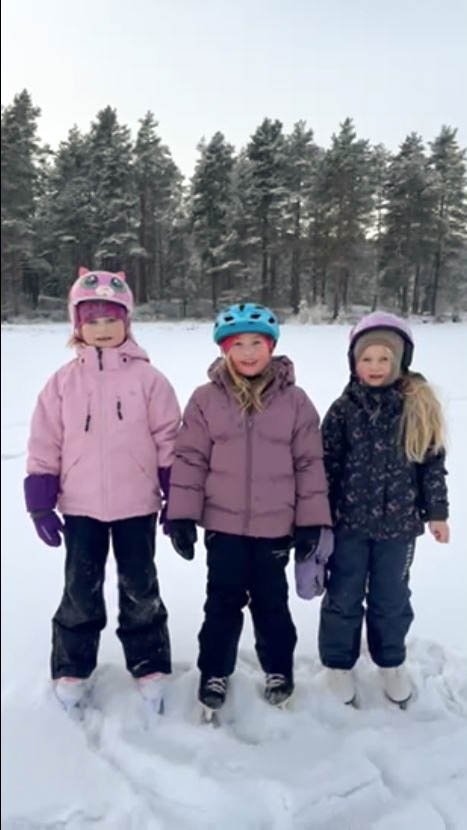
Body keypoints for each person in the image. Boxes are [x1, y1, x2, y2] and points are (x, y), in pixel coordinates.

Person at [24, 268, 181, 714]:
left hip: (137, 504)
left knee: (140, 586)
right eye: (92, 320)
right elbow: (45, 442)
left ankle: (149, 661)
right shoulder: (62, 383)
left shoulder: (149, 380)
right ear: (77, 325)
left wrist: (176, 496)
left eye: (112, 319)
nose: (103, 328)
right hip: (80, 507)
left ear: (127, 321)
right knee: (80, 588)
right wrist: (40, 503)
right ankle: (73, 665)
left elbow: (170, 438)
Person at [166, 303, 332, 716]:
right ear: (224, 350)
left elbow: (309, 463)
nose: (248, 353)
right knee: (221, 602)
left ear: (271, 347)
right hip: (222, 526)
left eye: (256, 343)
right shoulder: (205, 400)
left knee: (271, 603)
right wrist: (181, 514)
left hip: (275, 527)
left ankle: (278, 669)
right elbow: (190, 459)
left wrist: (311, 522)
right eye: (237, 344)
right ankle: (214, 671)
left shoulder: (295, 402)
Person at [319, 311, 449, 706]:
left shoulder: (417, 407)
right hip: (348, 525)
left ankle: (390, 661)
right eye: (367, 359)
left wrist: (437, 513)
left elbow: (431, 465)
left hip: (399, 527)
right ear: (354, 362)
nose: (375, 367)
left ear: (400, 361)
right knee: (343, 595)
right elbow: (325, 465)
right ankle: (338, 664)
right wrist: (317, 516)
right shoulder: (343, 409)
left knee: (391, 598)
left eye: (384, 359)